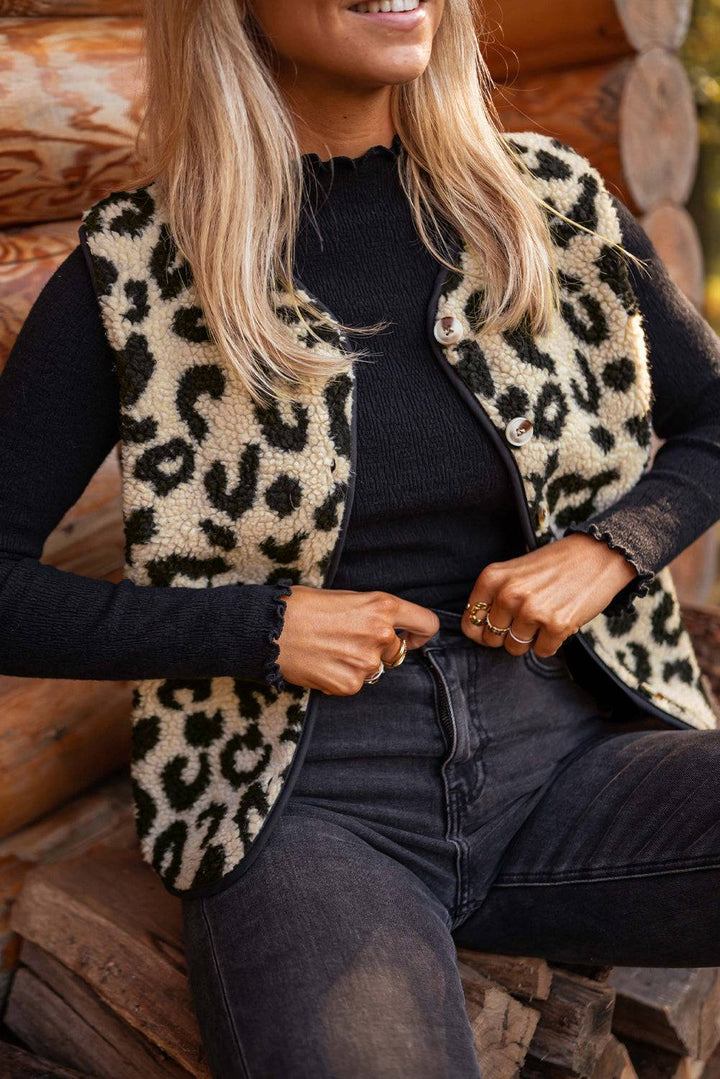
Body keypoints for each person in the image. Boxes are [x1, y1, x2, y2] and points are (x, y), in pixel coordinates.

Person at [3, 0, 720, 1075]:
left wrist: (612, 547)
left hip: (576, 764)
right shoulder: (134, 268)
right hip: (307, 807)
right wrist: (260, 626)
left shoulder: (550, 204)